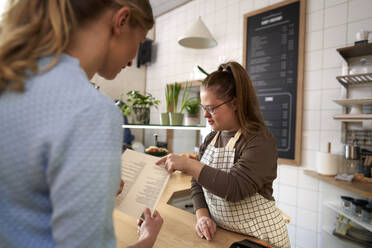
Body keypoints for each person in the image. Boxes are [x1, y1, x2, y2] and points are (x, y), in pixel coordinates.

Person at [0, 0, 163, 247]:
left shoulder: (12, 79)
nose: (133, 58)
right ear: (121, 21)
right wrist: (147, 239)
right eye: (139, 42)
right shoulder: (90, 110)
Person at [156, 62, 290, 247]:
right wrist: (202, 215)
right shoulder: (211, 138)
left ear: (235, 103)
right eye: (204, 108)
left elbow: (235, 188)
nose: (206, 115)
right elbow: (197, 181)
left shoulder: (259, 140)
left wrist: (188, 164)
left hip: (261, 239)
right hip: (227, 236)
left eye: (211, 108)